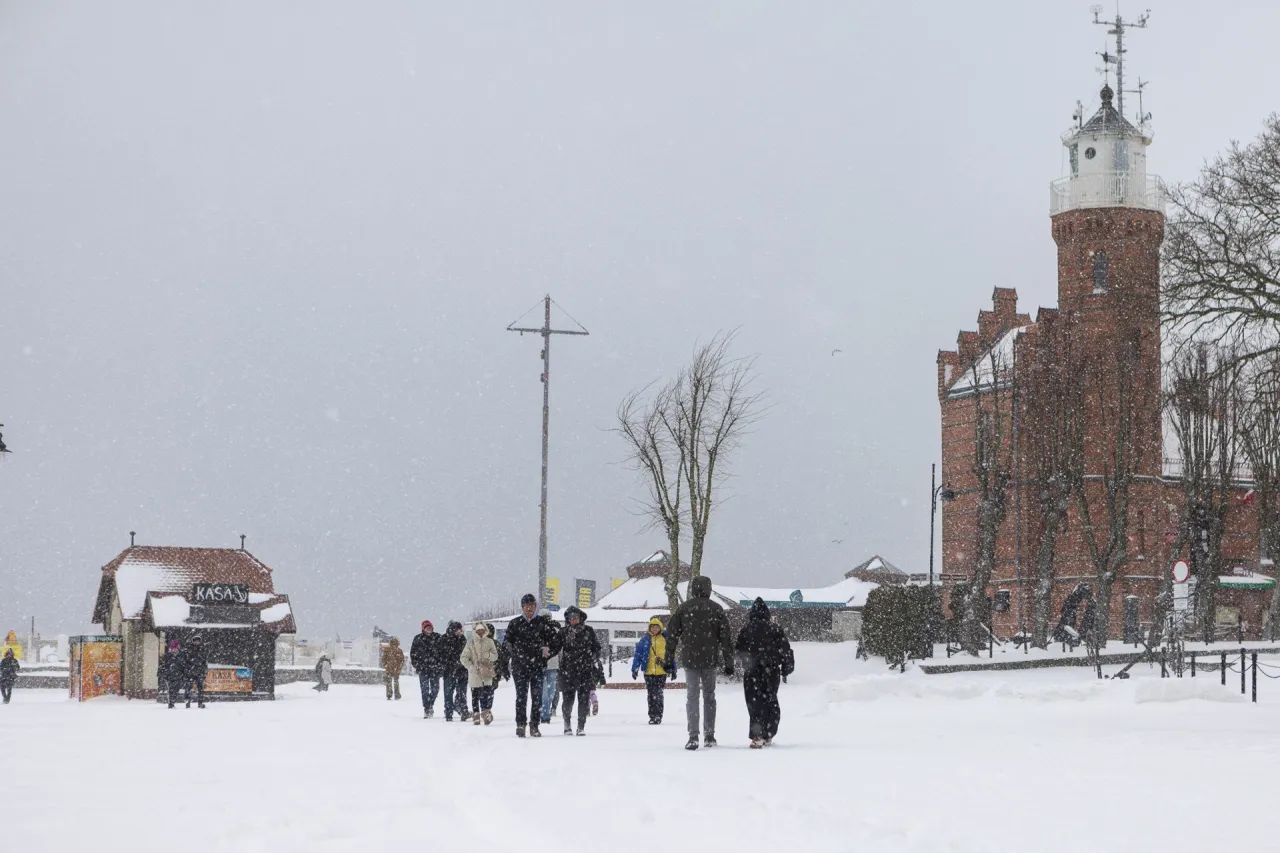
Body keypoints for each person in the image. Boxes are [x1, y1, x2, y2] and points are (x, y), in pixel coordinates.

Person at [665, 575, 734, 750]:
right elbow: (725, 638)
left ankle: (693, 736)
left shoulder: (684, 608)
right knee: (709, 697)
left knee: (692, 697)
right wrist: (728, 662)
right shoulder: (716, 609)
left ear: (692, 589)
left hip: (690, 659)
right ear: (709, 589)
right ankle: (709, 735)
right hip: (710, 659)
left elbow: (672, 635)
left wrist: (668, 658)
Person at [735, 598, 795, 748]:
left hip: (752, 672)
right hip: (771, 670)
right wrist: (786, 668)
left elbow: (739, 649)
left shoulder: (746, 629)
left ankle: (757, 734)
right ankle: (769, 732)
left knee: (754, 702)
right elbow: (785, 650)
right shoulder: (775, 629)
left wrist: (746, 662)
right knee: (770, 700)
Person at [503, 593, 561, 737]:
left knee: (537, 697)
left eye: (532, 605)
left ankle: (534, 725)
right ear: (522, 607)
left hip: (537, 667)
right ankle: (520, 724)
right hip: (519, 667)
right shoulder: (515, 623)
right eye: (526, 605)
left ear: (536, 607)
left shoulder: (542, 623)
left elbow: (556, 642)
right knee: (521, 697)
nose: (529, 608)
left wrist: (548, 653)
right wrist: (509, 658)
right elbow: (507, 643)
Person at [557, 606, 602, 736]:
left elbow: (597, 648)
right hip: (568, 671)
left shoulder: (588, 631)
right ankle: (567, 724)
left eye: (576, 617)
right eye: (571, 618)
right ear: (567, 620)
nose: (573, 620)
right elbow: (555, 647)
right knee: (568, 700)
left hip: (585, 671)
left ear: (580, 618)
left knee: (583, 700)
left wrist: (593, 657)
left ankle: (581, 726)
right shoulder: (563, 632)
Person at [632, 617, 675, 724]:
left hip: (661, 672)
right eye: (652, 627)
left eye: (656, 627)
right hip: (648, 672)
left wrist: (673, 669)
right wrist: (635, 668)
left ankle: (658, 716)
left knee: (658, 694)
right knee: (651, 694)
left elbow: (670, 655)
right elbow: (638, 655)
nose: (655, 629)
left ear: (660, 628)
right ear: (649, 628)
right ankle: (652, 716)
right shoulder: (645, 640)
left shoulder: (665, 639)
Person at [460, 622, 500, 726]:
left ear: (485, 630)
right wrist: (471, 667)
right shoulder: (470, 643)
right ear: (475, 631)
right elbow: (463, 658)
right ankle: (476, 716)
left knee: (487, 695)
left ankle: (486, 714)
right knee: (475, 695)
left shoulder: (490, 642)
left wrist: (488, 655)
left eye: (482, 630)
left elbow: (495, 656)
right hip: (475, 673)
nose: (480, 632)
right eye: (478, 630)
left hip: (486, 671)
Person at [410, 620, 445, 718]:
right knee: (424, 690)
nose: (429, 629)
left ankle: (430, 704)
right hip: (423, 669)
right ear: (423, 629)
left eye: (430, 627)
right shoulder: (417, 639)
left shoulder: (438, 637)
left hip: (435, 669)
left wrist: (441, 665)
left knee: (435, 689)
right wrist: (417, 665)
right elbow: (413, 653)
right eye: (427, 627)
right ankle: (427, 708)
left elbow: (443, 652)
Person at [441, 621, 471, 722]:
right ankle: (448, 712)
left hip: (462, 669)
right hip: (449, 670)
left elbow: (466, 653)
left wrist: (464, 663)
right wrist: (450, 664)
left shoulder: (462, 639)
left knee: (462, 691)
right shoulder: (444, 639)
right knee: (448, 692)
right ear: (454, 630)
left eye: (461, 629)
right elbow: (441, 655)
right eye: (459, 629)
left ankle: (463, 710)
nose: (460, 631)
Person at [182, 634, 209, 708]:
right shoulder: (188, 649)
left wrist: (204, 671)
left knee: (200, 688)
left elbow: (205, 662)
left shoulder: (202, 650)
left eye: (198, 641)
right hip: (190, 672)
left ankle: (200, 703)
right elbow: (185, 661)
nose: (197, 642)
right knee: (188, 688)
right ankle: (187, 702)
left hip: (199, 672)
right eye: (195, 641)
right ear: (192, 641)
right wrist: (187, 670)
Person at [539, 645, 560, 725]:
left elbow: (559, 646)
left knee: (551, 692)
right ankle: (545, 715)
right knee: (544, 692)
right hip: (540, 664)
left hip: (553, 665)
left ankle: (545, 711)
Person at [161, 639, 184, 708]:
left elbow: (183, 665)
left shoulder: (180, 656)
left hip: (178, 676)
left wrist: (182, 673)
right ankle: (171, 703)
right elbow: (164, 666)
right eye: (173, 648)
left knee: (176, 689)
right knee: (170, 690)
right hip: (170, 676)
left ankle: (173, 701)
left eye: (175, 648)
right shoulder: (168, 656)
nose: (174, 650)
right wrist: (164, 674)